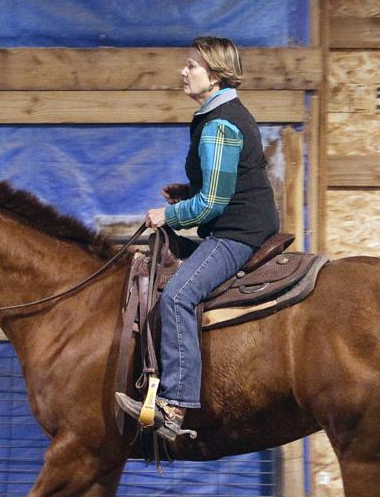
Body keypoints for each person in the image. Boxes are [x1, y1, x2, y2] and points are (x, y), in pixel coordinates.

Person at [116, 36, 280, 442]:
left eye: (192, 65)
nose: (183, 72)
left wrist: (167, 214)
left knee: (178, 296)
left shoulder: (220, 124)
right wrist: (185, 195)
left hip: (237, 234)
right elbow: (214, 190)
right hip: (235, 225)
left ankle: (175, 405)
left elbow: (211, 205)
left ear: (216, 75)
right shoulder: (218, 115)